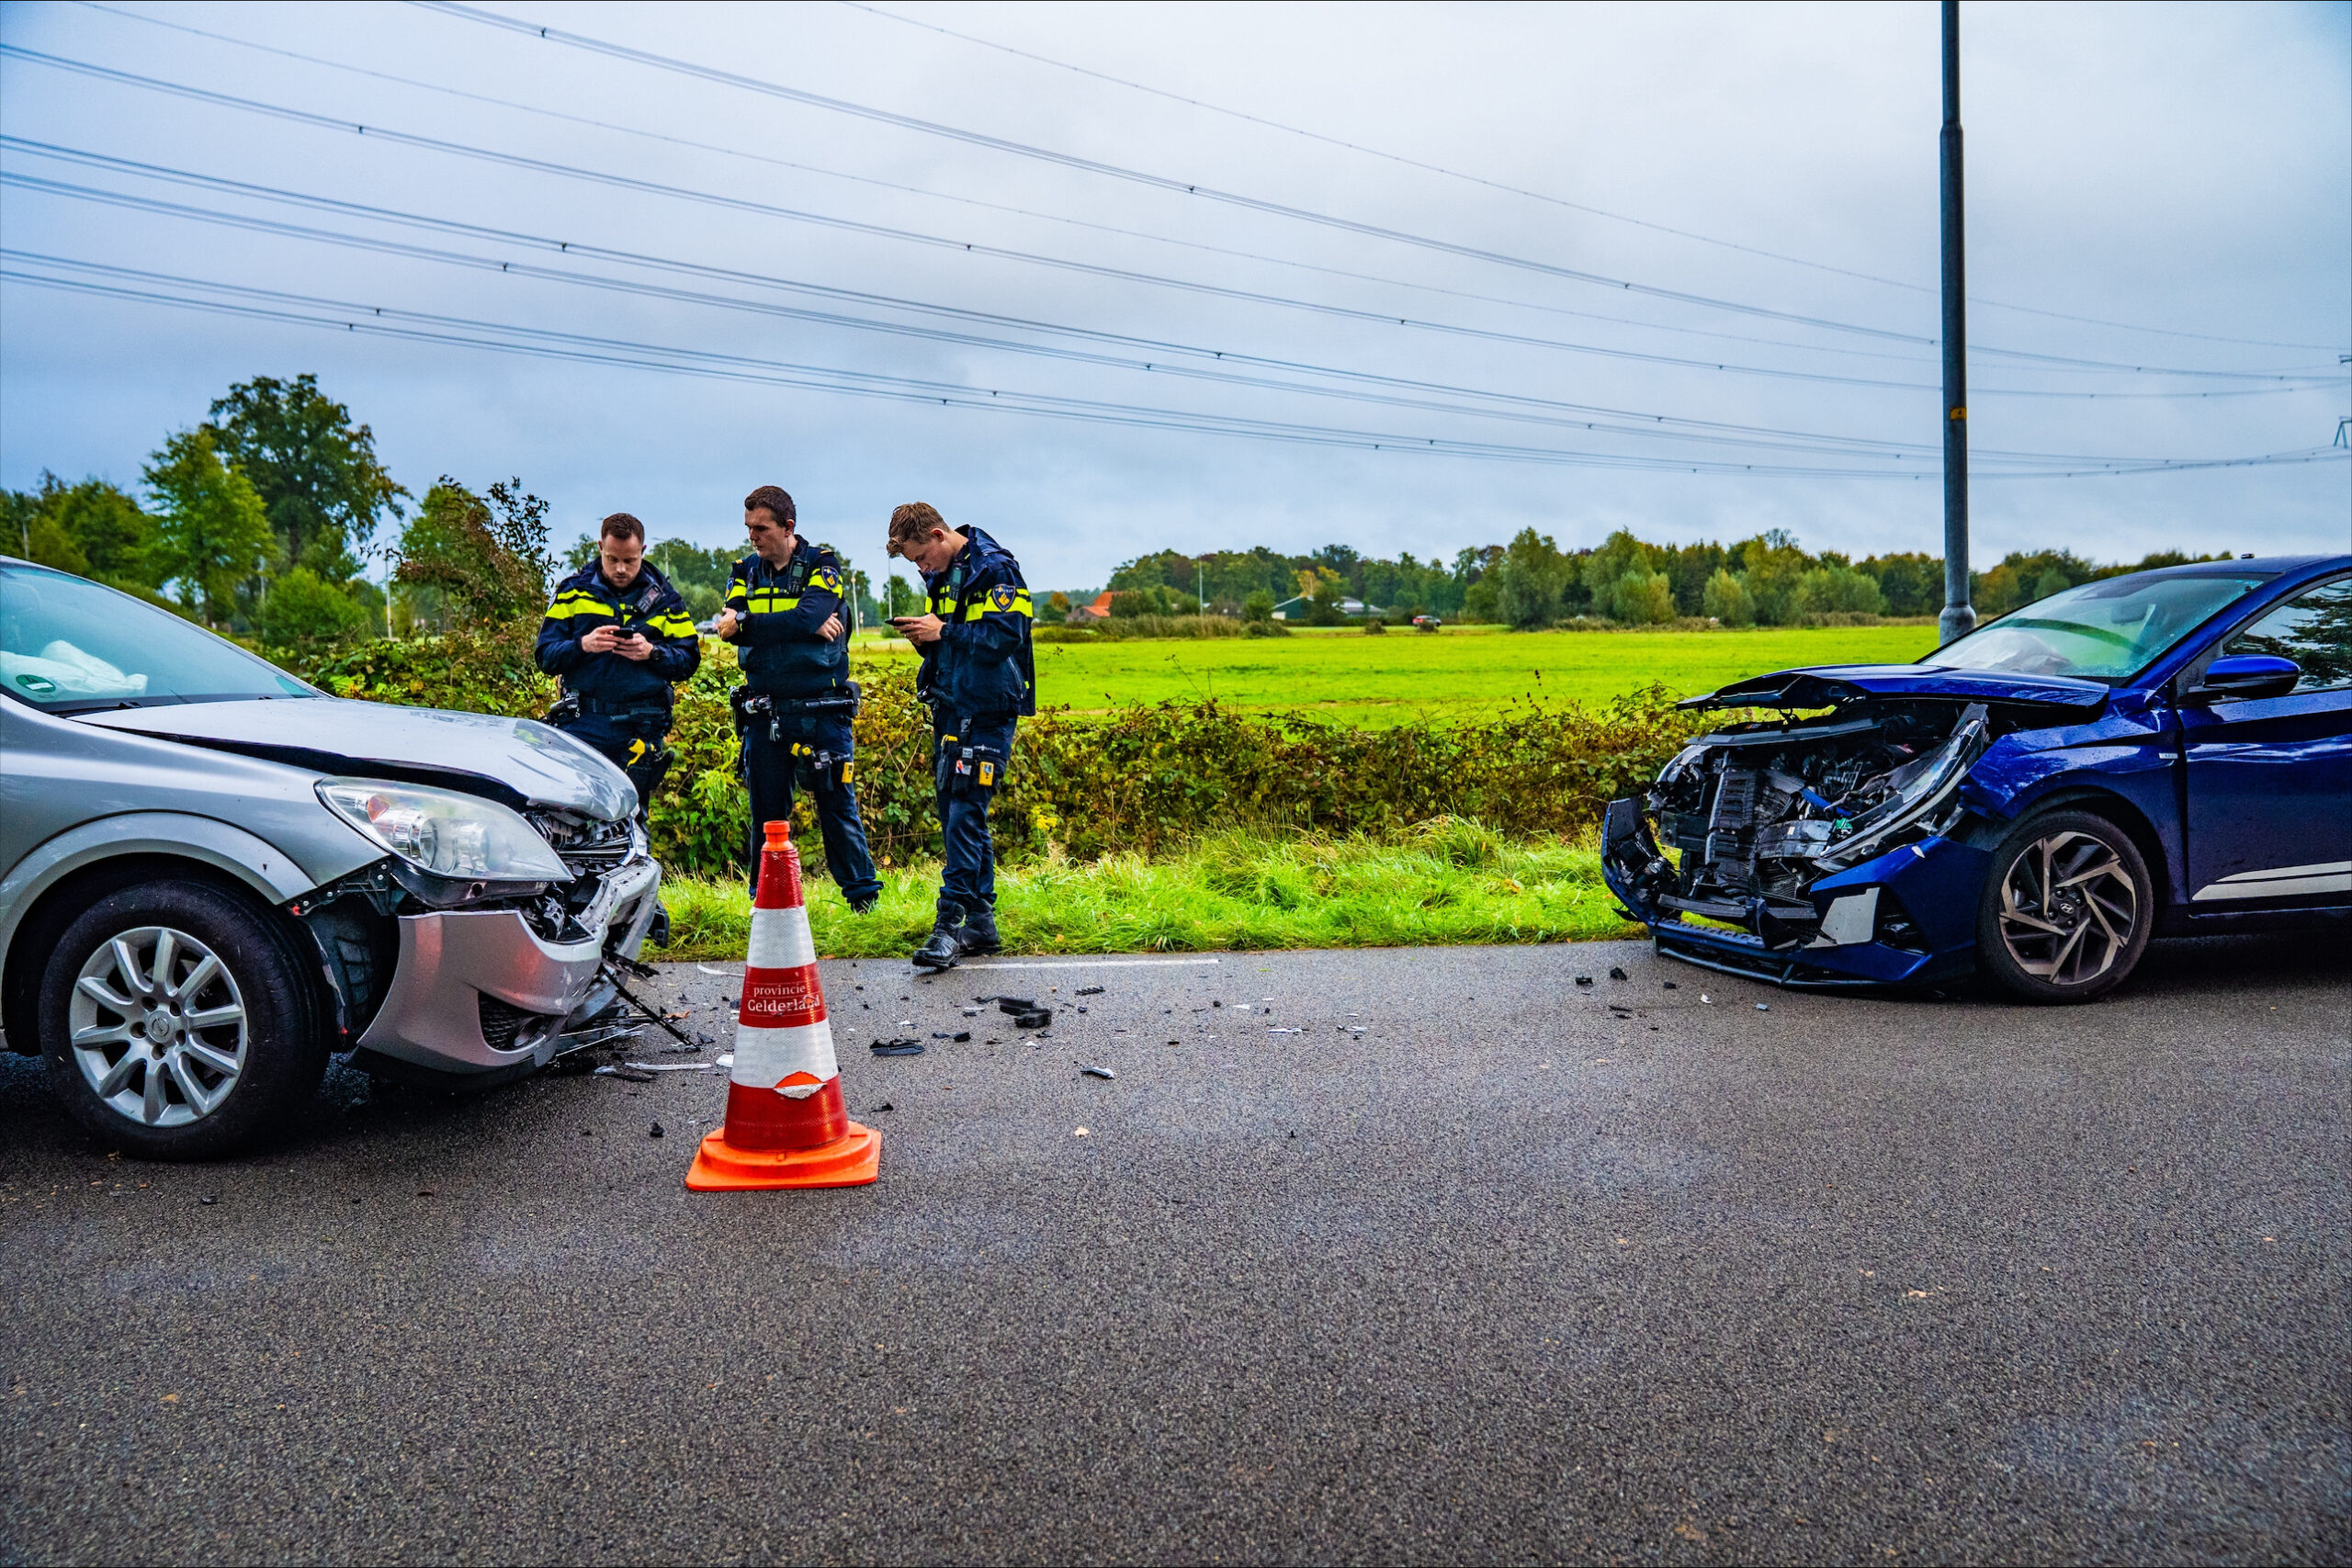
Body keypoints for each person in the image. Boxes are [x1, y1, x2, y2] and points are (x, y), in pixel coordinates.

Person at [717, 484, 883, 912]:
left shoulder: (822, 565)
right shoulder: (743, 570)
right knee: (767, 814)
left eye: (762, 528)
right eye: (748, 528)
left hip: (821, 710)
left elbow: (805, 615)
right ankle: (763, 902)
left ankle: (863, 901)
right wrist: (794, 624)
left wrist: (751, 623)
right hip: (764, 710)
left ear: (788, 527)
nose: (753, 537)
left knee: (836, 806)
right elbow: (728, 623)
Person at [886, 502, 1035, 969]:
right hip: (951, 704)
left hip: (989, 708)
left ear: (937, 534)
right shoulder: (943, 574)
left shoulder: (996, 570)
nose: (921, 568)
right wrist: (925, 640)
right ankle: (982, 924)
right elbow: (952, 642)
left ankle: (948, 925)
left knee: (964, 814)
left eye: (920, 558)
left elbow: (1003, 637)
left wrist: (943, 632)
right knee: (958, 810)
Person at [536, 512, 700, 812]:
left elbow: (689, 660)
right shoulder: (572, 592)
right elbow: (545, 656)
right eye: (612, 559)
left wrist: (652, 652)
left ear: (643, 551)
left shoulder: (665, 599)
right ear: (600, 547)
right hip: (584, 722)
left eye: (630, 560)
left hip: (642, 726)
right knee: (576, 817)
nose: (621, 569)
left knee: (632, 817)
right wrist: (583, 645)